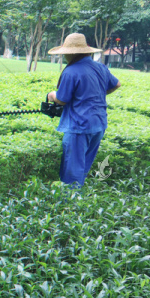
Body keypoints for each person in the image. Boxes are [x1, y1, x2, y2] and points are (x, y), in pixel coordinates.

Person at [46, 33, 121, 188]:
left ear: (70, 53)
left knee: (72, 173)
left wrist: (52, 95)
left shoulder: (71, 71)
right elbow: (116, 84)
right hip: (99, 125)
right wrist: (97, 94)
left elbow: (62, 99)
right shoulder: (100, 67)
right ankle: (79, 202)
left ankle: (69, 206)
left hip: (79, 127)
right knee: (83, 168)